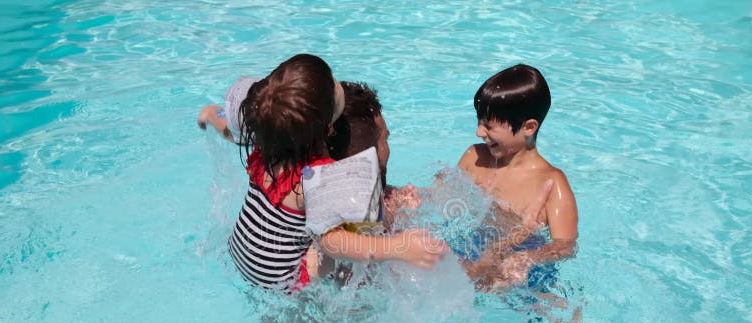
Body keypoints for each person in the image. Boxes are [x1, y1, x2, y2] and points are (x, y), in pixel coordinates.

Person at [199, 54, 448, 292]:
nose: (337, 81)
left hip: (241, 254)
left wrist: (212, 113)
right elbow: (333, 242)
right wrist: (397, 247)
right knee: (340, 236)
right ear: (328, 127)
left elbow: (230, 131)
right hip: (284, 282)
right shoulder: (318, 175)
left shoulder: (268, 142)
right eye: (333, 83)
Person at [457, 64, 578, 288]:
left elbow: (565, 245)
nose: (479, 132)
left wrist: (530, 258)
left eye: (489, 126)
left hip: (521, 267)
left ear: (529, 127)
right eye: (479, 122)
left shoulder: (552, 183)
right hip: (473, 250)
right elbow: (442, 204)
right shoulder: (474, 158)